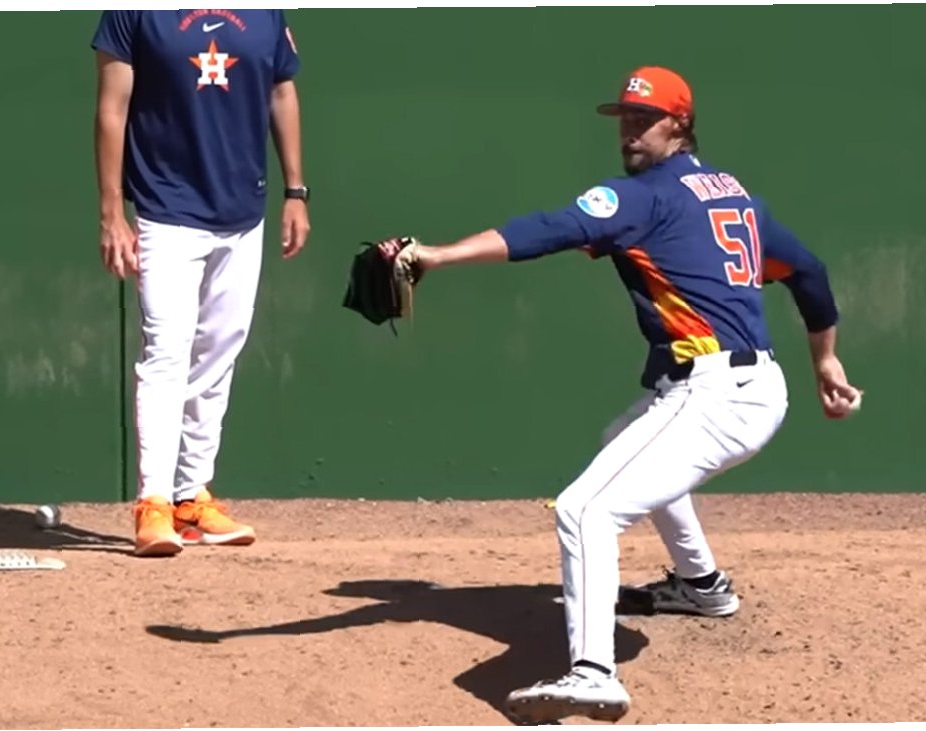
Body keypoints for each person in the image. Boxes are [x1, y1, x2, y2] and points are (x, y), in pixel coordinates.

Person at [391, 65, 861, 724]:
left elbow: (546, 229)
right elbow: (806, 270)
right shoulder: (730, 195)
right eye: (625, 118)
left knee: (584, 508)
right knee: (624, 438)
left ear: (680, 123)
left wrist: (437, 255)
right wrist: (825, 357)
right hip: (745, 387)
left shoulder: (642, 198)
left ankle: (592, 674)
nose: (630, 131)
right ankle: (701, 584)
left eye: (645, 119)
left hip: (716, 394)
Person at [92, 9, 310, 558]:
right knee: (167, 352)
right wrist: (112, 212)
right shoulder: (134, 11)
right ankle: (154, 503)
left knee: (218, 351)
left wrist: (295, 191)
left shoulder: (266, 11)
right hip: (165, 208)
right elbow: (112, 109)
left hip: (243, 209)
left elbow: (281, 91)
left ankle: (191, 497)